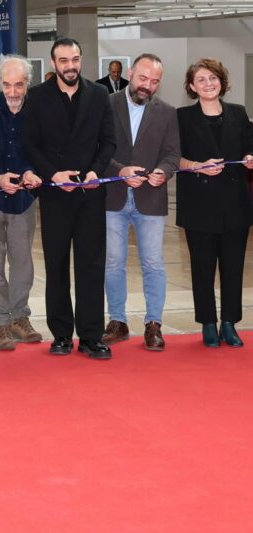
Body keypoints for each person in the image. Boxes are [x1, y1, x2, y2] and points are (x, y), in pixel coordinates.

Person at [21, 38, 116, 360]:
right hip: (55, 196)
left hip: (90, 194)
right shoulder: (37, 97)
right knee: (57, 265)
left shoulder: (99, 94)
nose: (70, 66)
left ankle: (91, 336)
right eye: (63, 60)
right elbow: (30, 145)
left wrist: (95, 172)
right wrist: (53, 175)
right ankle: (61, 334)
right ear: (53, 64)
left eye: (74, 59)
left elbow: (109, 142)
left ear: (81, 60)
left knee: (91, 265)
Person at [102, 54, 179, 352]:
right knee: (113, 263)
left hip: (151, 198)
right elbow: (96, 148)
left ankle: (154, 324)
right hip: (113, 196)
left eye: (155, 81)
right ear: (130, 72)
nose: (147, 85)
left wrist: (163, 171)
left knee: (153, 263)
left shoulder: (167, 112)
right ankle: (117, 321)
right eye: (143, 78)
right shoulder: (106, 104)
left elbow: (172, 154)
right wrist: (120, 170)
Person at [175, 58, 253, 348]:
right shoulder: (182, 117)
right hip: (199, 205)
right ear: (192, 86)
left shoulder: (238, 113)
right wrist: (197, 166)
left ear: (222, 81)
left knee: (233, 267)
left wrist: (249, 157)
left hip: (235, 204)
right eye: (201, 79)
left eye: (213, 78)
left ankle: (229, 323)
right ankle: (208, 323)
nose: (208, 83)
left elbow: (249, 147)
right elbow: (172, 158)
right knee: (202, 267)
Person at [0, 55, 44, 350]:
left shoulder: (38, 107)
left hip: (24, 201)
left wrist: (31, 171)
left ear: (28, 83)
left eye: (19, 85)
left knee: (23, 263)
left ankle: (20, 317)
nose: (13, 92)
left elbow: (43, 148)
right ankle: (0, 322)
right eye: (7, 85)